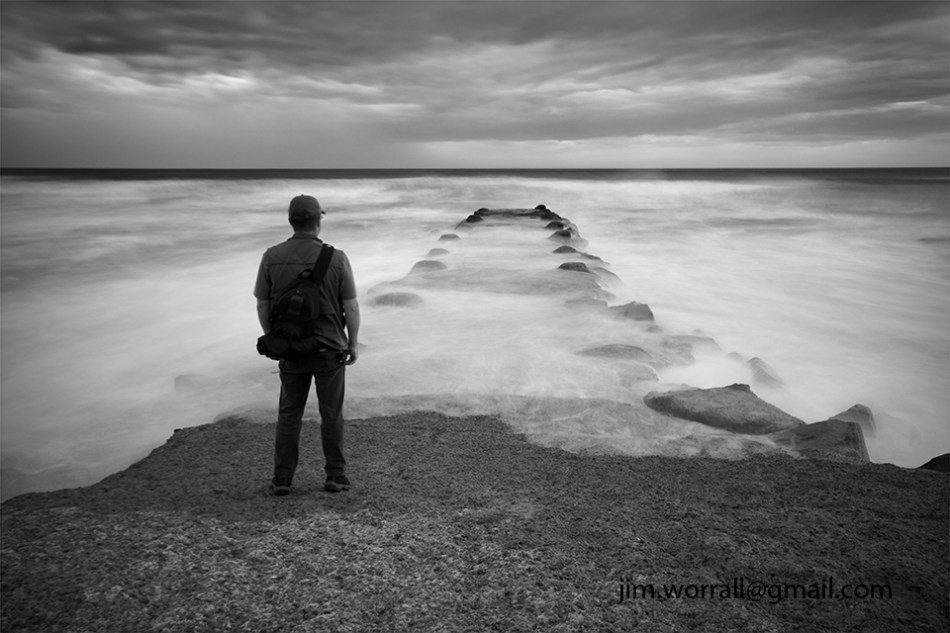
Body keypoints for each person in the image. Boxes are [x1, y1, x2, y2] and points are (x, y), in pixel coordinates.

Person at [254, 195, 360, 495]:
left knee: (289, 413)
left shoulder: (271, 256)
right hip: (329, 349)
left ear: (291, 220)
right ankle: (335, 476)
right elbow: (350, 306)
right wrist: (352, 343)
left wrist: (278, 340)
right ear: (318, 220)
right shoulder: (336, 258)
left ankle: (283, 478)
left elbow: (263, 303)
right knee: (331, 413)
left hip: (291, 350)